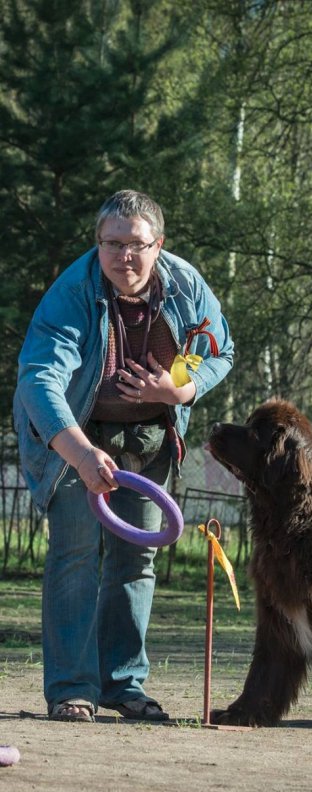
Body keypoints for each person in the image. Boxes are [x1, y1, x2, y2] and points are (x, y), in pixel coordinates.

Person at [13, 190, 234, 722]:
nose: (124, 257)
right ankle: (72, 689)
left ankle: (124, 685)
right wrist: (82, 455)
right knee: (75, 555)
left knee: (137, 559)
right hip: (76, 434)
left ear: (159, 245)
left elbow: (221, 350)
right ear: (98, 243)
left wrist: (181, 391)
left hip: (150, 440)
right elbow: (39, 380)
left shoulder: (187, 287)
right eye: (112, 243)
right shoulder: (73, 293)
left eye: (136, 244)